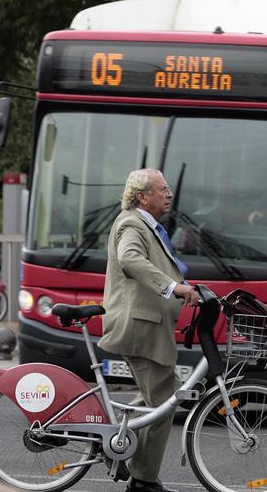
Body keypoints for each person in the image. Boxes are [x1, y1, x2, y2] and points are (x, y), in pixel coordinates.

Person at [99, 168, 198, 492]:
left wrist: (186, 287)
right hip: (140, 327)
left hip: (150, 326)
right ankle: (142, 481)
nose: (169, 194)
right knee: (166, 398)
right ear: (143, 196)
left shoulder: (148, 225)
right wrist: (172, 287)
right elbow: (130, 258)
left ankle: (117, 454)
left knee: (158, 395)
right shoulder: (131, 223)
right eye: (163, 189)